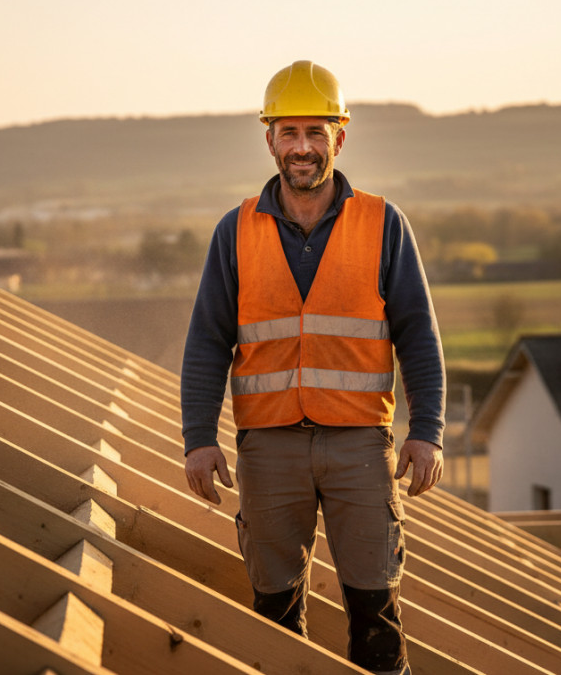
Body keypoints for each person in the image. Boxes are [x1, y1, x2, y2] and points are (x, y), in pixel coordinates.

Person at [180, 60, 445, 675]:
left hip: (360, 447)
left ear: (339, 138)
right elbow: (206, 344)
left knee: (376, 614)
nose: (302, 147)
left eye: (316, 133)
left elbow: (419, 338)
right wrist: (198, 438)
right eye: (289, 132)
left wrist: (426, 430)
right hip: (268, 449)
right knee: (275, 613)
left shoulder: (384, 225)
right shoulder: (235, 231)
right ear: (269, 139)